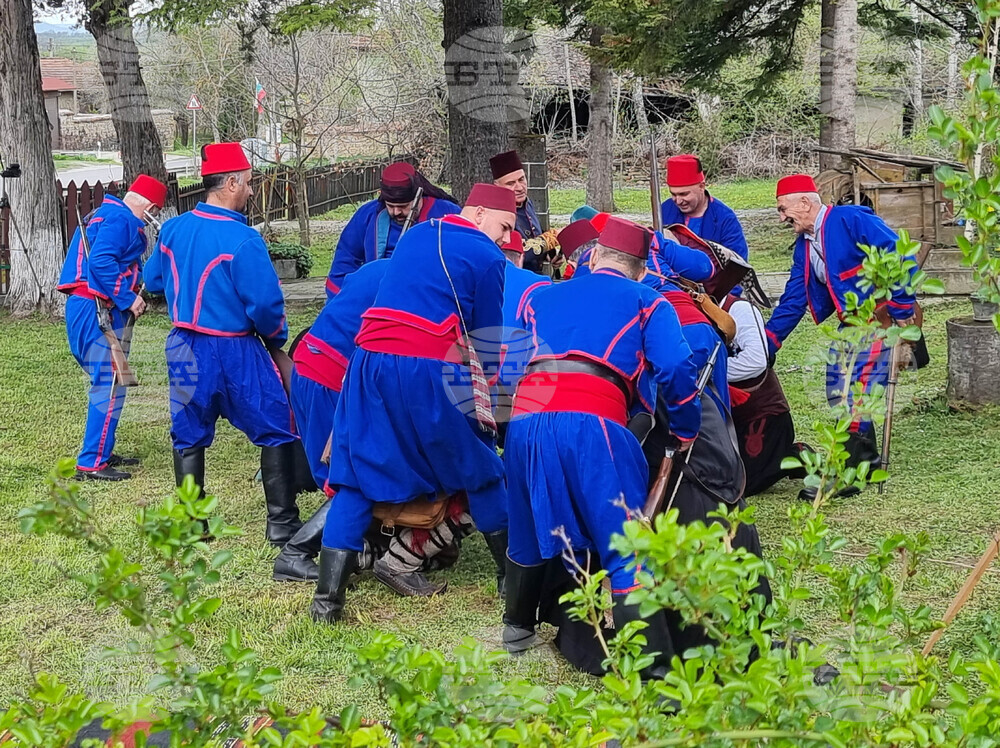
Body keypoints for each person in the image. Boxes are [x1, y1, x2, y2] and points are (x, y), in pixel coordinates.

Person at [501, 216, 702, 680]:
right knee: (625, 542)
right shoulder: (647, 299)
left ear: (592, 258)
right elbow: (676, 367)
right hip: (594, 419)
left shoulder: (539, 294)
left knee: (525, 525)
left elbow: (508, 361)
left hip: (525, 419)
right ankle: (651, 668)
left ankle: (516, 627)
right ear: (641, 270)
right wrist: (684, 429)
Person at [310, 183, 517, 623]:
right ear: (479, 213)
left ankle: (326, 603)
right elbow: (487, 338)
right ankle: (510, 578)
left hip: (367, 362)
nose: (506, 238)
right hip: (429, 366)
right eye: (504, 226)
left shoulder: (417, 233)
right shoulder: (488, 258)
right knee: (479, 468)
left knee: (356, 475)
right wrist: (491, 400)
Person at [274, 260, 472, 596]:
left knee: (350, 473)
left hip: (311, 362)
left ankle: (363, 550)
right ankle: (296, 553)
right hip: (335, 374)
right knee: (354, 476)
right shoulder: (420, 282)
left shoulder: (383, 267)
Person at [144, 142, 303, 547]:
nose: (250, 190)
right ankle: (282, 524)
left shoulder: (173, 229)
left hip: (183, 345)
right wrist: (276, 341)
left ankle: (191, 522)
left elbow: (154, 280)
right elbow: (266, 306)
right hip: (234, 349)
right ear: (231, 182)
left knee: (187, 432)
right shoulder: (243, 239)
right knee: (276, 425)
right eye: (248, 183)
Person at [765, 173, 918, 500]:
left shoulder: (850, 219)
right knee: (836, 388)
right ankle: (864, 462)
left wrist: (902, 308)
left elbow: (899, 253)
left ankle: (850, 472)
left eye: (782, 209)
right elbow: (794, 299)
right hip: (852, 325)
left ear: (804, 202)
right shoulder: (804, 247)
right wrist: (768, 342)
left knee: (853, 392)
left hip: (880, 319)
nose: (781, 218)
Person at [58, 175, 167, 481]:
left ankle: (101, 450)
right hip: (95, 306)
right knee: (108, 382)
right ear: (151, 208)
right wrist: (128, 298)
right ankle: (92, 462)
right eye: (156, 212)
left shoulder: (107, 214)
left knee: (111, 381)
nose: (152, 219)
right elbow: (101, 262)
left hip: (92, 306)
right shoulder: (121, 219)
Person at [325, 162, 460, 298]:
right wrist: (348, 297)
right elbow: (345, 259)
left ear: (418, 197)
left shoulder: (448, 213)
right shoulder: (367, 215)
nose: (396, 212)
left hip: (428, 297)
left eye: (403, 206)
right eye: (390, 205)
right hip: (376, 297)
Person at [723, 292, 809, 496]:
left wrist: (709, 369)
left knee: (743, 486)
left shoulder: (739, 309)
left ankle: (797, 455)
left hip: (763, 415)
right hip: (732, 419)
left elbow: (756, 361)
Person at [660, 154, 749, 261]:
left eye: (684, 194)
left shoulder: (725, 218)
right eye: (673, 194)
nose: (678, 201)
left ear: (701, 187)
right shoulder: (664, 210)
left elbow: (738, 262)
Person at [490, 149, 545, 272]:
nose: (520, 187)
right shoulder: (496, 215)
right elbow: (513, 253)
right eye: (511, 183)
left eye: (521, 179)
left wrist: (550, 253)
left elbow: (534, 232)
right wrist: (547, 242)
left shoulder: (526, 202)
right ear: (497, 186)